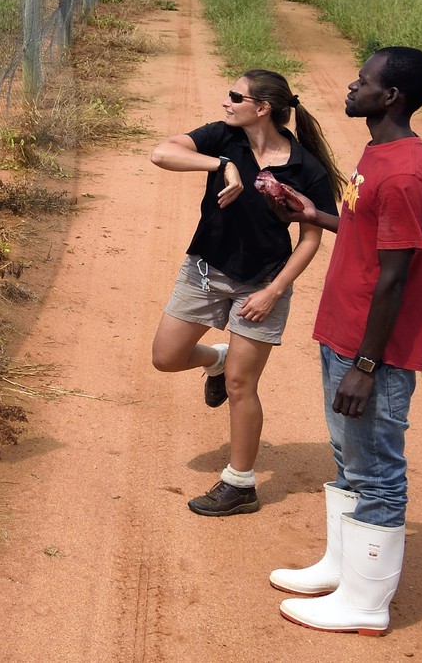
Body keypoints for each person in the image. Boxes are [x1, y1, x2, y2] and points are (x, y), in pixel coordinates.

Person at [269, 46, 422, 636]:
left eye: (362, 81)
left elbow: (395, 277)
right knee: (350, 458)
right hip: (346, 333)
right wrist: (314, 214)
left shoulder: (404, 173)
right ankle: (341, 570)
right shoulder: (380, 153)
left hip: (374, 351)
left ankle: (366, 603)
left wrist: (367, 365)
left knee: (377, 471)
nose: (351, 86)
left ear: (391, 96)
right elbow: (370, 233)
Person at [149, 69, 342, 516]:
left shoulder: (305, 168)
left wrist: (273, 292)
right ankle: (214, 359)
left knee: (241, 383)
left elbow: (310, 241)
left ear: (263, 108)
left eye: (235, 96)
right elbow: (161, 153)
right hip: (205, 268)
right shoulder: (224, 138)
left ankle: (241, 483)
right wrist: (222, 165)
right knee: (166, 357)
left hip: (262, 281)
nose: (226, 102)